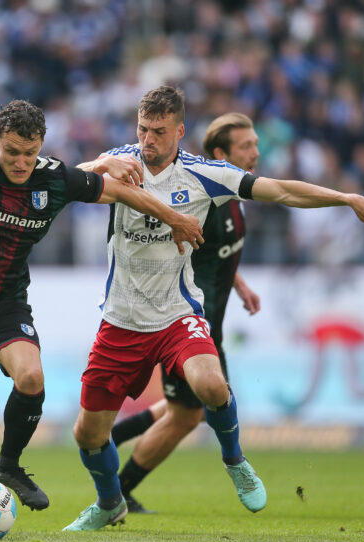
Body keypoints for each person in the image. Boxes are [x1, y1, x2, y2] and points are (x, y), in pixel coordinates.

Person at [63, 86, 364, 531]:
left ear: (180, 131)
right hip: (120, 320)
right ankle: (109, 503)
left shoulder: (204, 175)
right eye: (142, 129)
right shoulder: (120, 162)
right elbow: (61, 181)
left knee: (210, 385)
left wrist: (347, 197)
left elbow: (281, 191)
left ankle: (235, 460)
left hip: (178, 315)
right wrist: (99, 164)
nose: (147, 140)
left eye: (159, 131)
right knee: (88, 435)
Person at [0, 99, 203, 531]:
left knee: (31, 377)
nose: (21, 162)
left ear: (41, 147)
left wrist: (175, 217)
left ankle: (8, 465)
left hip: (4, 303)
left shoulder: (53, 177)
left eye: (30, 153)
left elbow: (121, 192)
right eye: (12, 152)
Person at [110, 112, 262, 515]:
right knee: (187, 416)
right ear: (219, 155)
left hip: (213, 325)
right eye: (246, 146)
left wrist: (238, 282)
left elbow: (214, 253)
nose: (255, 153)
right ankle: (119, 490)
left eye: (255, 144)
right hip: (188, 325)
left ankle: (115, 437)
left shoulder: (233, 199)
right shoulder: (207, 195)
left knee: (190, 410)